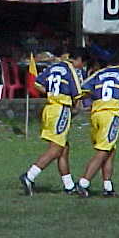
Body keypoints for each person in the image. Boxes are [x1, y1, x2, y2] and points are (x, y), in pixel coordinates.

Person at [18, 47, 88, 196]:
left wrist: (51, 92)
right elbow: (77, 93)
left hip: (49, 108)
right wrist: (77, 107)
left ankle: (68, 185)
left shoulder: (54, 67)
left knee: (64, 148)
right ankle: (29, 176)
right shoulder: (72, 70)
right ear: (79, 60)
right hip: (61, 109)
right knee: (55, 149)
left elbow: (37, 83)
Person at [77, 51, 119, 197]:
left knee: (110, 150)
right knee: (103, 151)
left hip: (96, 114)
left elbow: (83, 89)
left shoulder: (99, 73)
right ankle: (84, 183)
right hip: (110, 114)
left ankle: (107, 187)